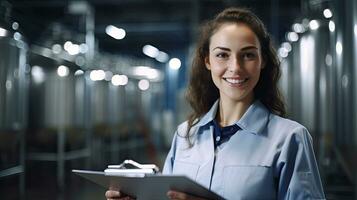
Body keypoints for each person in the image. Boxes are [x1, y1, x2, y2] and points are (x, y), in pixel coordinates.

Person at [105, 7, 326, 200]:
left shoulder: (289, 139)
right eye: (222, 55)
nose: (235, 67)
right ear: (208, 61)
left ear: (263, 61)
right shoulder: (185, 135)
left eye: (248, 55)